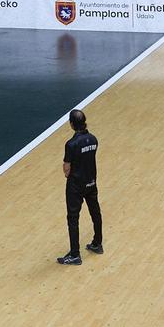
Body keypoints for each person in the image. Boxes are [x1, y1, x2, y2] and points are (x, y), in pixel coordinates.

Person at [56, 109, 103, 265]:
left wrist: (69, 176)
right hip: (91, 182)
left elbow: (66, 167)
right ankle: (97, 243)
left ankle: (75, 255)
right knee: (95, 212)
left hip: (76, 185)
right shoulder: (94, 139)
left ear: (71, 124)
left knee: (73, 218)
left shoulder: (71, 144)